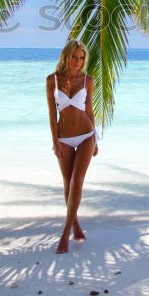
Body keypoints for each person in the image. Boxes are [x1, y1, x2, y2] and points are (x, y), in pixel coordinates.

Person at [46, 40, 98, 254]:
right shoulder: (52, 80)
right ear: (66, 57)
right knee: (67, 182)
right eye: (74, 57)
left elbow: (90, 111)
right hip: (64, 138)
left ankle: (65, 234)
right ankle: (76, 225)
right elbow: (51, 114)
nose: (78, 61)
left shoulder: (88, 80)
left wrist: (96, 138)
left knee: (77, 182)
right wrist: (55, 141)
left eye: (81, 58)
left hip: (86, 135)